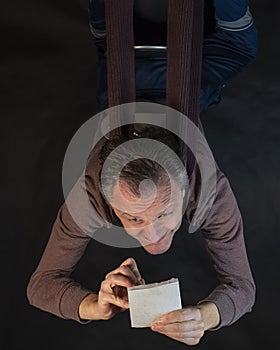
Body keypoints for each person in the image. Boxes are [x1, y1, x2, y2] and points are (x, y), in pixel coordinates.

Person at [27, 0, 258, 346]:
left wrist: (92, 304)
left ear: (185, 191)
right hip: (176, 51)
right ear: (108, 200)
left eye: (164, 212)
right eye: (133, 219)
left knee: (112, 23)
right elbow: (40, 287)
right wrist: (95, 305)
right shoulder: (92, 196)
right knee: (237, 42)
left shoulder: (208, 192)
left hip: (123, 48)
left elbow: (243, 288)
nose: (152, 234)